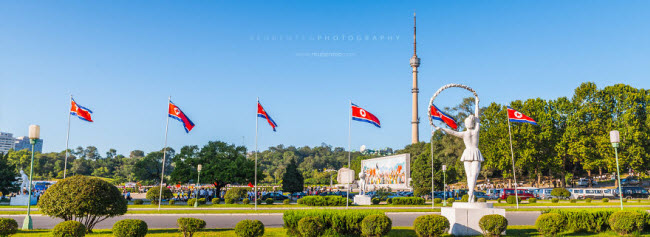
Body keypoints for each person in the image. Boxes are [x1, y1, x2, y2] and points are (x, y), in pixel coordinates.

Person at [434, 101, 482, 203]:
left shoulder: (467, 133)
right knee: (472, 175)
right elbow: (477, 117)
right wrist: (477, 104)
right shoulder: (475, 131)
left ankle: (471, 193)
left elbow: (452, 132)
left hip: (470, 153)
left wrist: (442, 128)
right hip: (473, 152)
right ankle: (471, 193)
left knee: (471, 175)